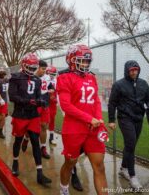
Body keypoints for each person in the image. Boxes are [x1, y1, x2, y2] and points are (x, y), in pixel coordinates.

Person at [57, 44, 108, 195]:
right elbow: (65, 105)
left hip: (93, 127)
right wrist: (88, 118)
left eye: (87, 61)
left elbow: (96, 101)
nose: (85, 64)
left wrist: (98, 118)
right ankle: (64, 188)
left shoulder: (91, 77)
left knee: (99, 166)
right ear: (71, 60)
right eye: (82, 61)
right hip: (74, 127)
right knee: (70, 163)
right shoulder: (64, 77)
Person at [9, 53, 52, 185]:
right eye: (30, 66)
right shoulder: (15, 78)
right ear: (24, 65)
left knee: (35, 142)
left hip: (33, 115)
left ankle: (40, 173)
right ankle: (15, 161)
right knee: (18, 140)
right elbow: (12, 97)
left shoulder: (37, 80)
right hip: (20, 114)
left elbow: (38, 96)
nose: (32, 69)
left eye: (34, 67)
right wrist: (29, 101)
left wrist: (41, 102)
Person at [108, 60, 149, 189]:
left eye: (136, 70)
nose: (134, 72)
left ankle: (123, 168)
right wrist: (111, 120)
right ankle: (133, 177)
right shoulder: (119, 84)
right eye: (131, 70)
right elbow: (112, 103)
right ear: (127, 70)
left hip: (138, 118)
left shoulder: (143, 83)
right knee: (131, 143)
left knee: (130, 145)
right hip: (124, 118)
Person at [21, 60, 53, 159]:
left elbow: (51, 87)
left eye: (45, 69)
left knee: (44, 126)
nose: (44, 71)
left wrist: (52, 90)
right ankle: (26, 138)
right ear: (37, 67)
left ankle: (43, 147)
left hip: (44, 104)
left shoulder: (47, 77)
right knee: (30, 127)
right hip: (33, 104)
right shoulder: (30, 77)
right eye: (43, 69)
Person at [46, 65, 58, 145]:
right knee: (43, 121)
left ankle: (51, 137)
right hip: (45, 103)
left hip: (53, 104)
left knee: (52, 120)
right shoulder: (43, 79)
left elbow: (58, 92)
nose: (51, 76)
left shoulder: (56, 81)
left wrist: (55, 98)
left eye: (53, 74)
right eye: (50, 74)